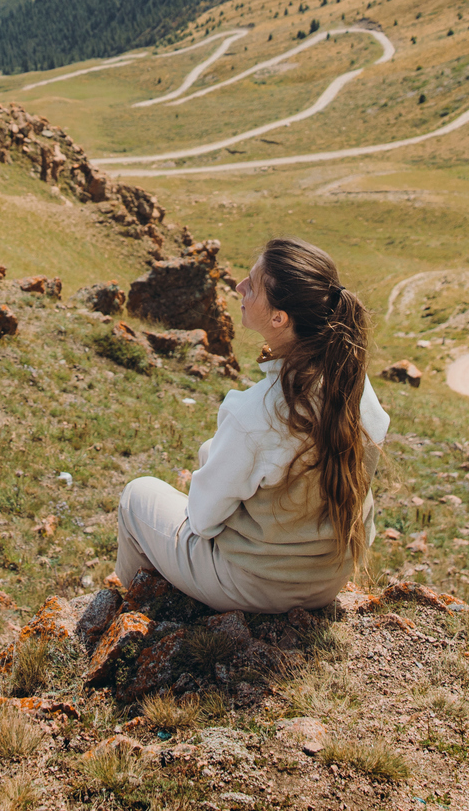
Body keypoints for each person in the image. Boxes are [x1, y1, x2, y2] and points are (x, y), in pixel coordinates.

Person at [112, 237, 390, 613]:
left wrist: (216, 462)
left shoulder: (253, 414)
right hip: (329, 582)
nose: (239, 287)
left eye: (253, 285)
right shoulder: (354, 388)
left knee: (136, 495)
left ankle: (130, 611)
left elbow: (204, 520)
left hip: (256, 587)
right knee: (214, 454)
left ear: (279, 318)